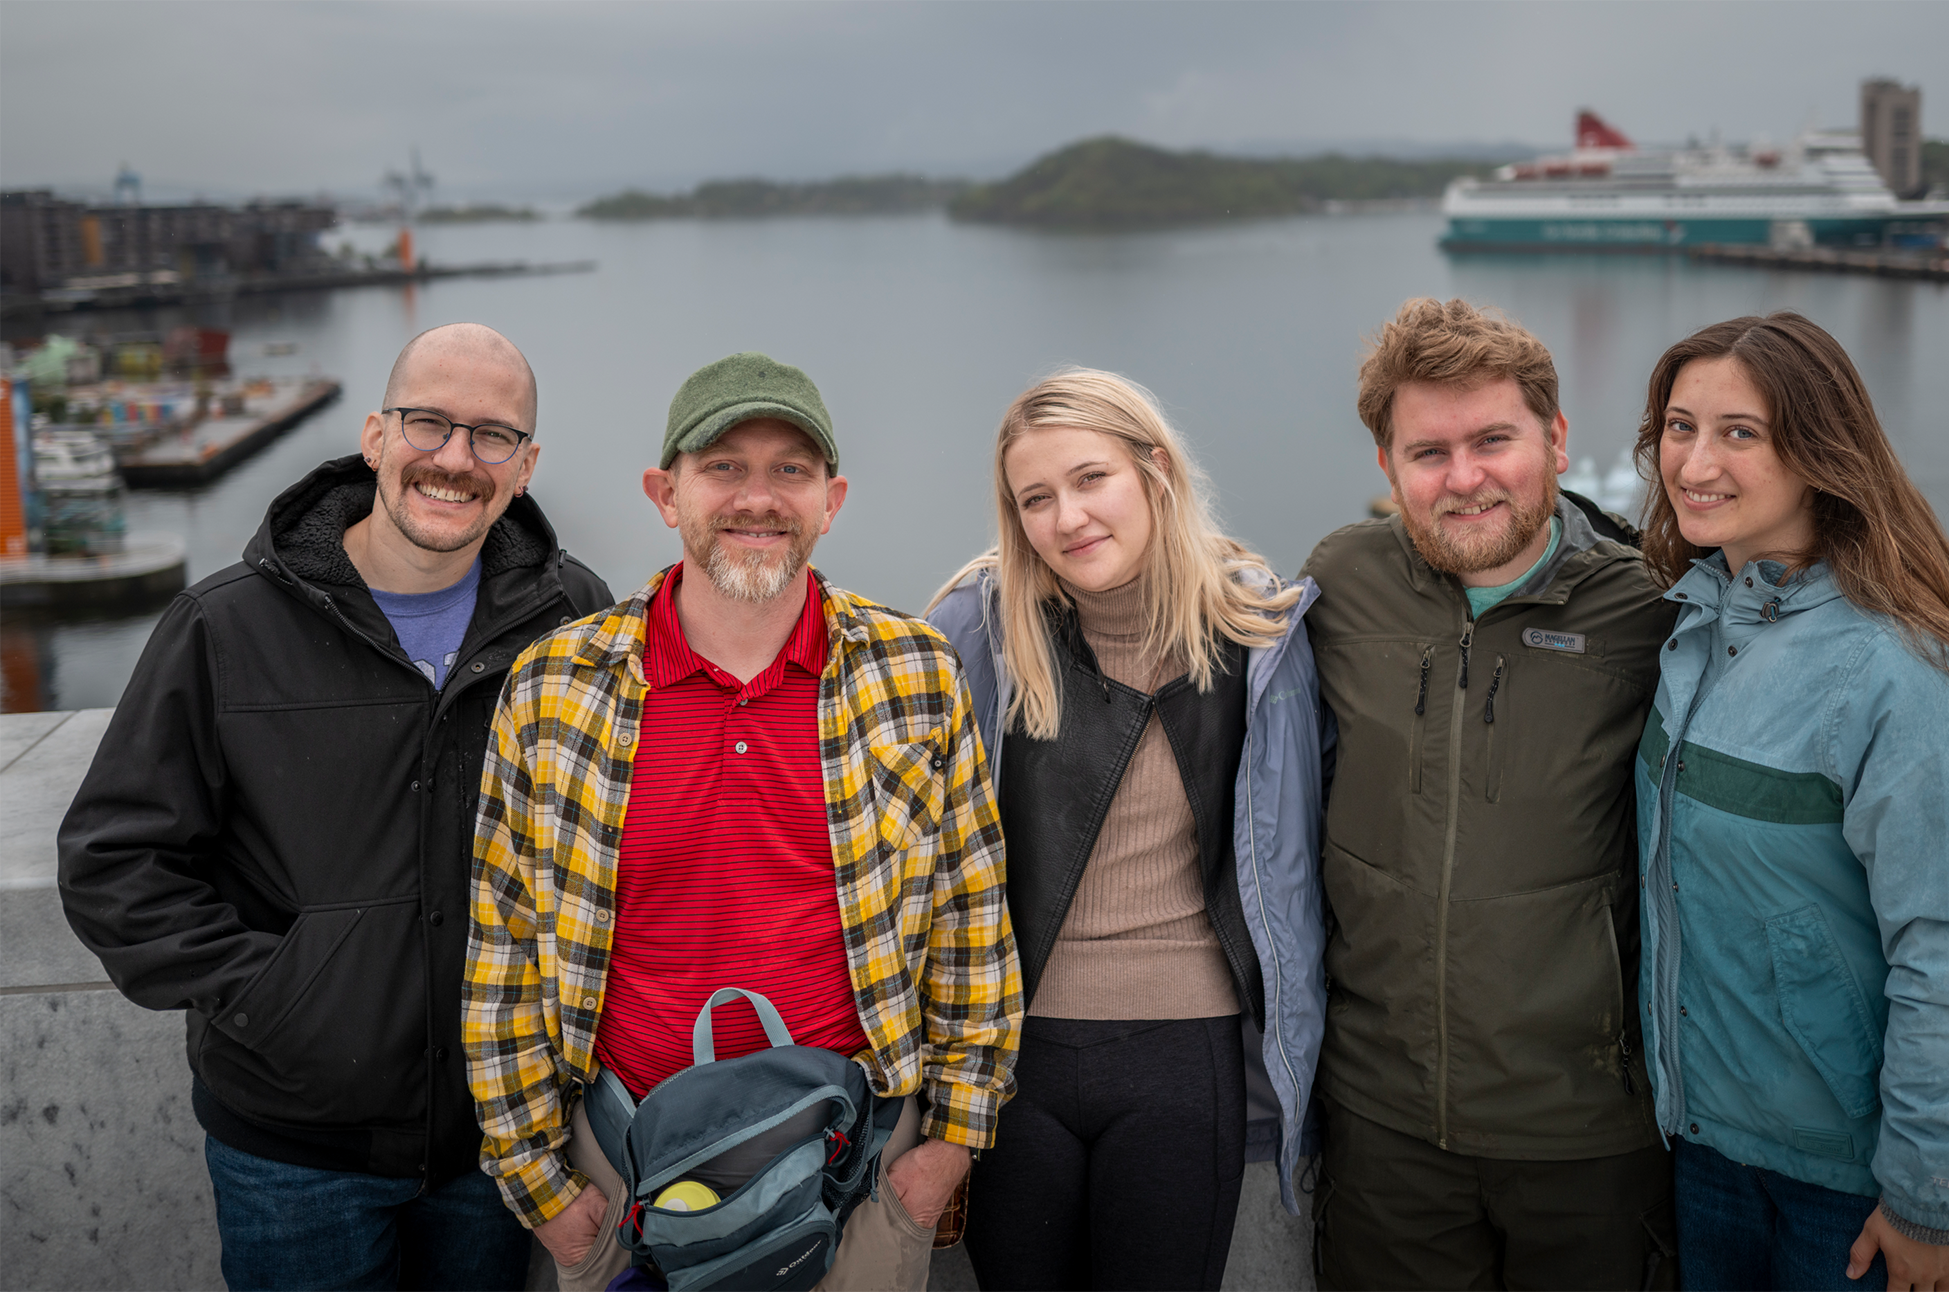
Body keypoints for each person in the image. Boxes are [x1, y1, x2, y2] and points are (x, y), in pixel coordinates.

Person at [57, 323, 613, 1291]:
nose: (454, 458)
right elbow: (116, 862)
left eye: (491, 435)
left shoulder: (573, 617)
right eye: (428, 422)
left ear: (525, 466)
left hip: (505, 1137)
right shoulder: (225, 625)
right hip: (294, 1151)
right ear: (373, 434)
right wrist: (281, 998)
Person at [465, 351, 1023, 1292]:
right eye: (723, 466)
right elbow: (504, 951)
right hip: (627, 1165)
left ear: (832, 499)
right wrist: (546, 1196)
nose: (757, 497)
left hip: (858, 1170)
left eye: (790, 471)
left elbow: (971, 920)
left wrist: (947, 1154)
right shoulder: (557, 685)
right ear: (664, 491)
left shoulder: (914, 674)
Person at [1632, 311, 1949, 1292]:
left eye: (1741, 431)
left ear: (1820, 451)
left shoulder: (1899, 667)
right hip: (1715, 1150)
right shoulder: (1695, 622)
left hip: (1869, 1182)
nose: (1695, 460)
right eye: (1679, 426)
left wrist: (1933, 1198)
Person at [1300, 298, 1683, 1290]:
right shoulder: (1339, 584)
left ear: (1555, 440)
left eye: (1493, 440)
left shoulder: (1650, 605)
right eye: (1429, 451)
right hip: (1383, 1123)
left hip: (1589, 1125)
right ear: (1387, 466)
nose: (1464, 477)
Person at [925, 369, 1328, 1292]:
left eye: (1090, 478)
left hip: (1184, 1057)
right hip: (1009, 1059)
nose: (1067, 518)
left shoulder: (1259, 631)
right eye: (1036, 498)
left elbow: (1298, 857)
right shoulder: (978, 629)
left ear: (1155, 470)